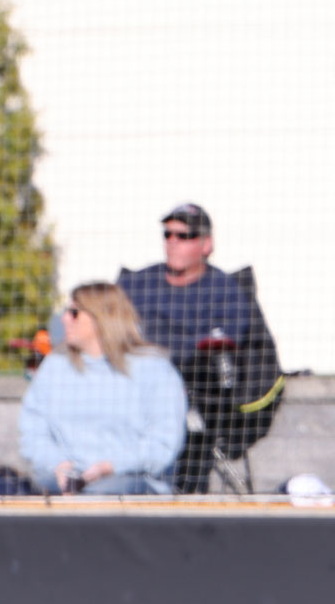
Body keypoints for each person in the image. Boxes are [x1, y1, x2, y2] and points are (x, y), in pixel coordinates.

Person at [119, 205, 283, 492]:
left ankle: (183, 499)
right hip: (130, 387)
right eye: (168, 234)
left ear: (207, 244)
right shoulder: (139, 284)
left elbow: (217, 348)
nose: (173, 242)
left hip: (195, 393)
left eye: (184, 236)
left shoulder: (225, 291)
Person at [18, 282, 182, 496]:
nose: (65, 319)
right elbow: (33, 432)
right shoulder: (54, 367)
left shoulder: (154, 369)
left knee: (103, 491)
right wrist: (59, 466)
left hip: (132, 484)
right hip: (63, 482)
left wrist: (109, 467)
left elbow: (162, 444)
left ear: (101, 319)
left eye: (74, 313)